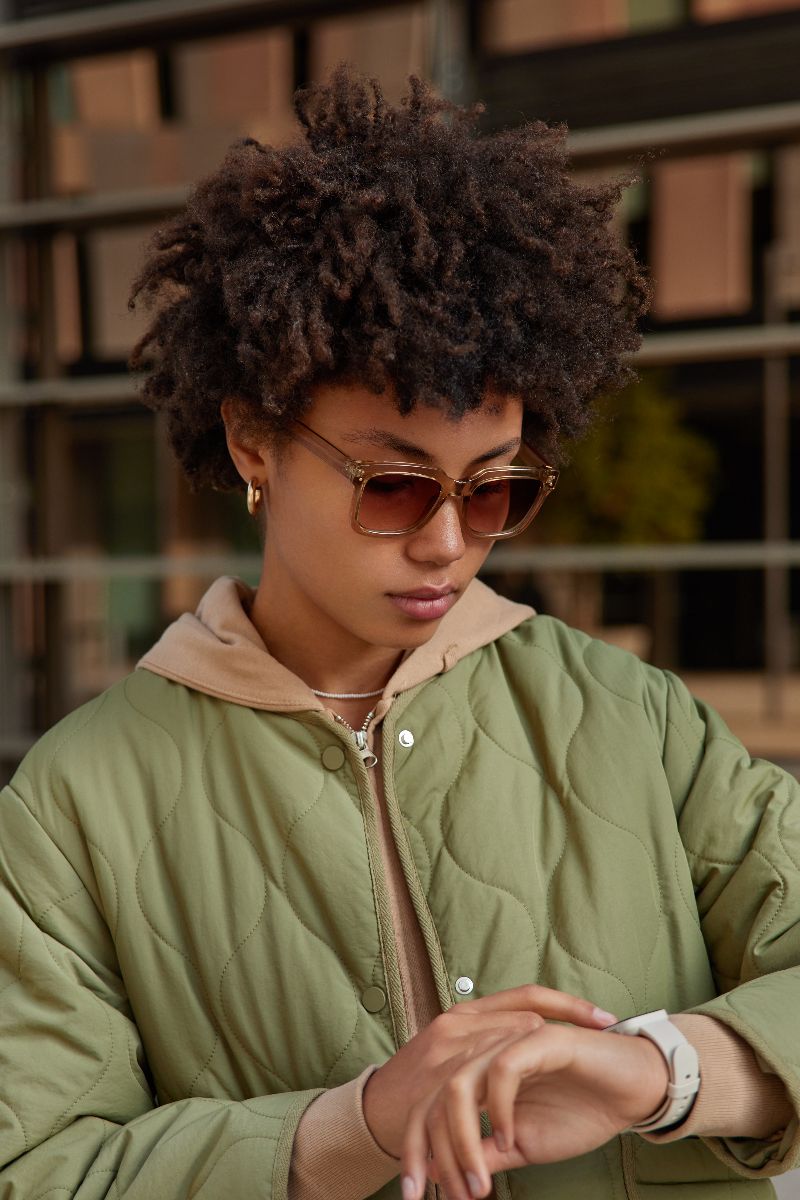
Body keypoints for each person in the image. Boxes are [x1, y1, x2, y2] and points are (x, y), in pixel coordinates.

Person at [0, 63, 798, 1200]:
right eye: (390, 485)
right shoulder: (76, 804)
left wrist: (660, 1074)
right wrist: (358, 1126)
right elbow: (37, 1168)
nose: (445, 542)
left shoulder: (636, 720)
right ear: (253, 443)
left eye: (493, 491)